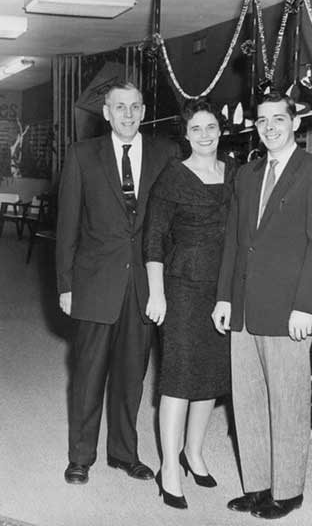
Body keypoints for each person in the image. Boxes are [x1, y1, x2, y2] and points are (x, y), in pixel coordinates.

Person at [212, 91, 312, 520]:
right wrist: (224, 298)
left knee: (287, 401)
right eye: (262, 120)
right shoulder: (247, 176)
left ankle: (288, 491)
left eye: (278, 119)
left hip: (290, 310)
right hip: (245, 307)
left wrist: (307, 306)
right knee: (247, 400)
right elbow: (234, 241)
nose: (269, 127)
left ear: (295, 122)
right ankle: (258, 485)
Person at [56, 81, 179, 485]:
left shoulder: (165, 153)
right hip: (94, 283)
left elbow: (175, 225)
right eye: (119, 107)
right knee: (88, 374)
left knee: (132, 376)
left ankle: (124, 453)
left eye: (135, 107)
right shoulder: (82, 155)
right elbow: (67, 226)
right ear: (105, 113)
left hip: (145, 284)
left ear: (144, 112)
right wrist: (65, 286)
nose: (127, 114)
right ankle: (81, 457)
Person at [143, 99, 237, 509]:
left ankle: (193, 453)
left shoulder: (233, 173)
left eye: (210, 127)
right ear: (186, 135)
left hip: (222, 288)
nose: (204, 135)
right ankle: (168, 468)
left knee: (210, 377)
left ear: (220, 130)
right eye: (196, 128)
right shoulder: (173, 177)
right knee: (180, 377)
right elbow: (153, 238)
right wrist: (157, 292)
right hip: (181, 286)